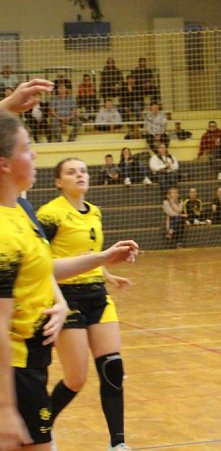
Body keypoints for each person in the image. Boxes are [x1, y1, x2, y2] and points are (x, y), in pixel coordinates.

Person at [0, 111, 138, 451]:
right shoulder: (10, 227)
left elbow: (43, 267)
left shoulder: (24, 211)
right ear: (4, 164)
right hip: (15, 368)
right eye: (27, 148)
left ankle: (117, 441)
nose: (34, 156)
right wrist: (4, 408)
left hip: (34, 361)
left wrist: (102, 261)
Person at [36, 158, 134, 451]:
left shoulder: (95, 212)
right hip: (65, 297)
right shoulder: (50, 214)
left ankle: (118, 443)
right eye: (71, 172)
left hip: (97, 296)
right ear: (58, 181)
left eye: (83, 170)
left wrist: (107, 273)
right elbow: (41, 261)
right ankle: (40, 427)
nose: (79, 175)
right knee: (76, 379)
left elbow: (87, 254)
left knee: (112, 368)